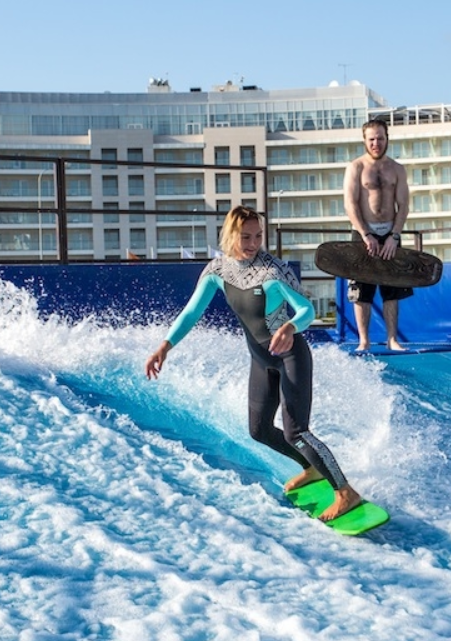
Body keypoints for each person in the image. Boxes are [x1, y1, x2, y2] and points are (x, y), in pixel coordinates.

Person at [145, 206, 362, 522]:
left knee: (296, 432)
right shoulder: (218, 272)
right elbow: (192, 312)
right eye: (246, 236)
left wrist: (289, 327)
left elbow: (306, 311)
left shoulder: (272, 271)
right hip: (261, 360)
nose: (253, 242)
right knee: (259, 430)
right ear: (230, 234)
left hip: (290, 354)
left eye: (258, 235)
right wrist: (165, 346)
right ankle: (311, 468)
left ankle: (345, 492)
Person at [343, 118, 411, 351]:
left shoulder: (397, 169)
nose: (376, 143)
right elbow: (350, 204)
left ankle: (392, 339)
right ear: (364, 140)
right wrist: (365, 233)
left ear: (387, 139)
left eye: (380, 138)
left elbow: (403, 205)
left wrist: (394, 236)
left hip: (390, 234)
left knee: (391, 291)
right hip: (363, 234)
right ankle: (364, 340)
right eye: (371, 139)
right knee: (362, 292)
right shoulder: (356, 168)